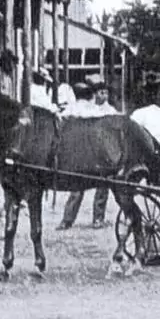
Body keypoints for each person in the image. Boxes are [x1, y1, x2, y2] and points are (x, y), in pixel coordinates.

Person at [58, 75, 122, 229]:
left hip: (102, 151)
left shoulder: (111, 111)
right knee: (77, 184)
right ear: (94, 94)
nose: (104, 96)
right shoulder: (87, 108)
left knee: (103, 185)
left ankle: (98, 218)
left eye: (106, 93)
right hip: (85, 150)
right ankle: (67, 219)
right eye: (100, 93)